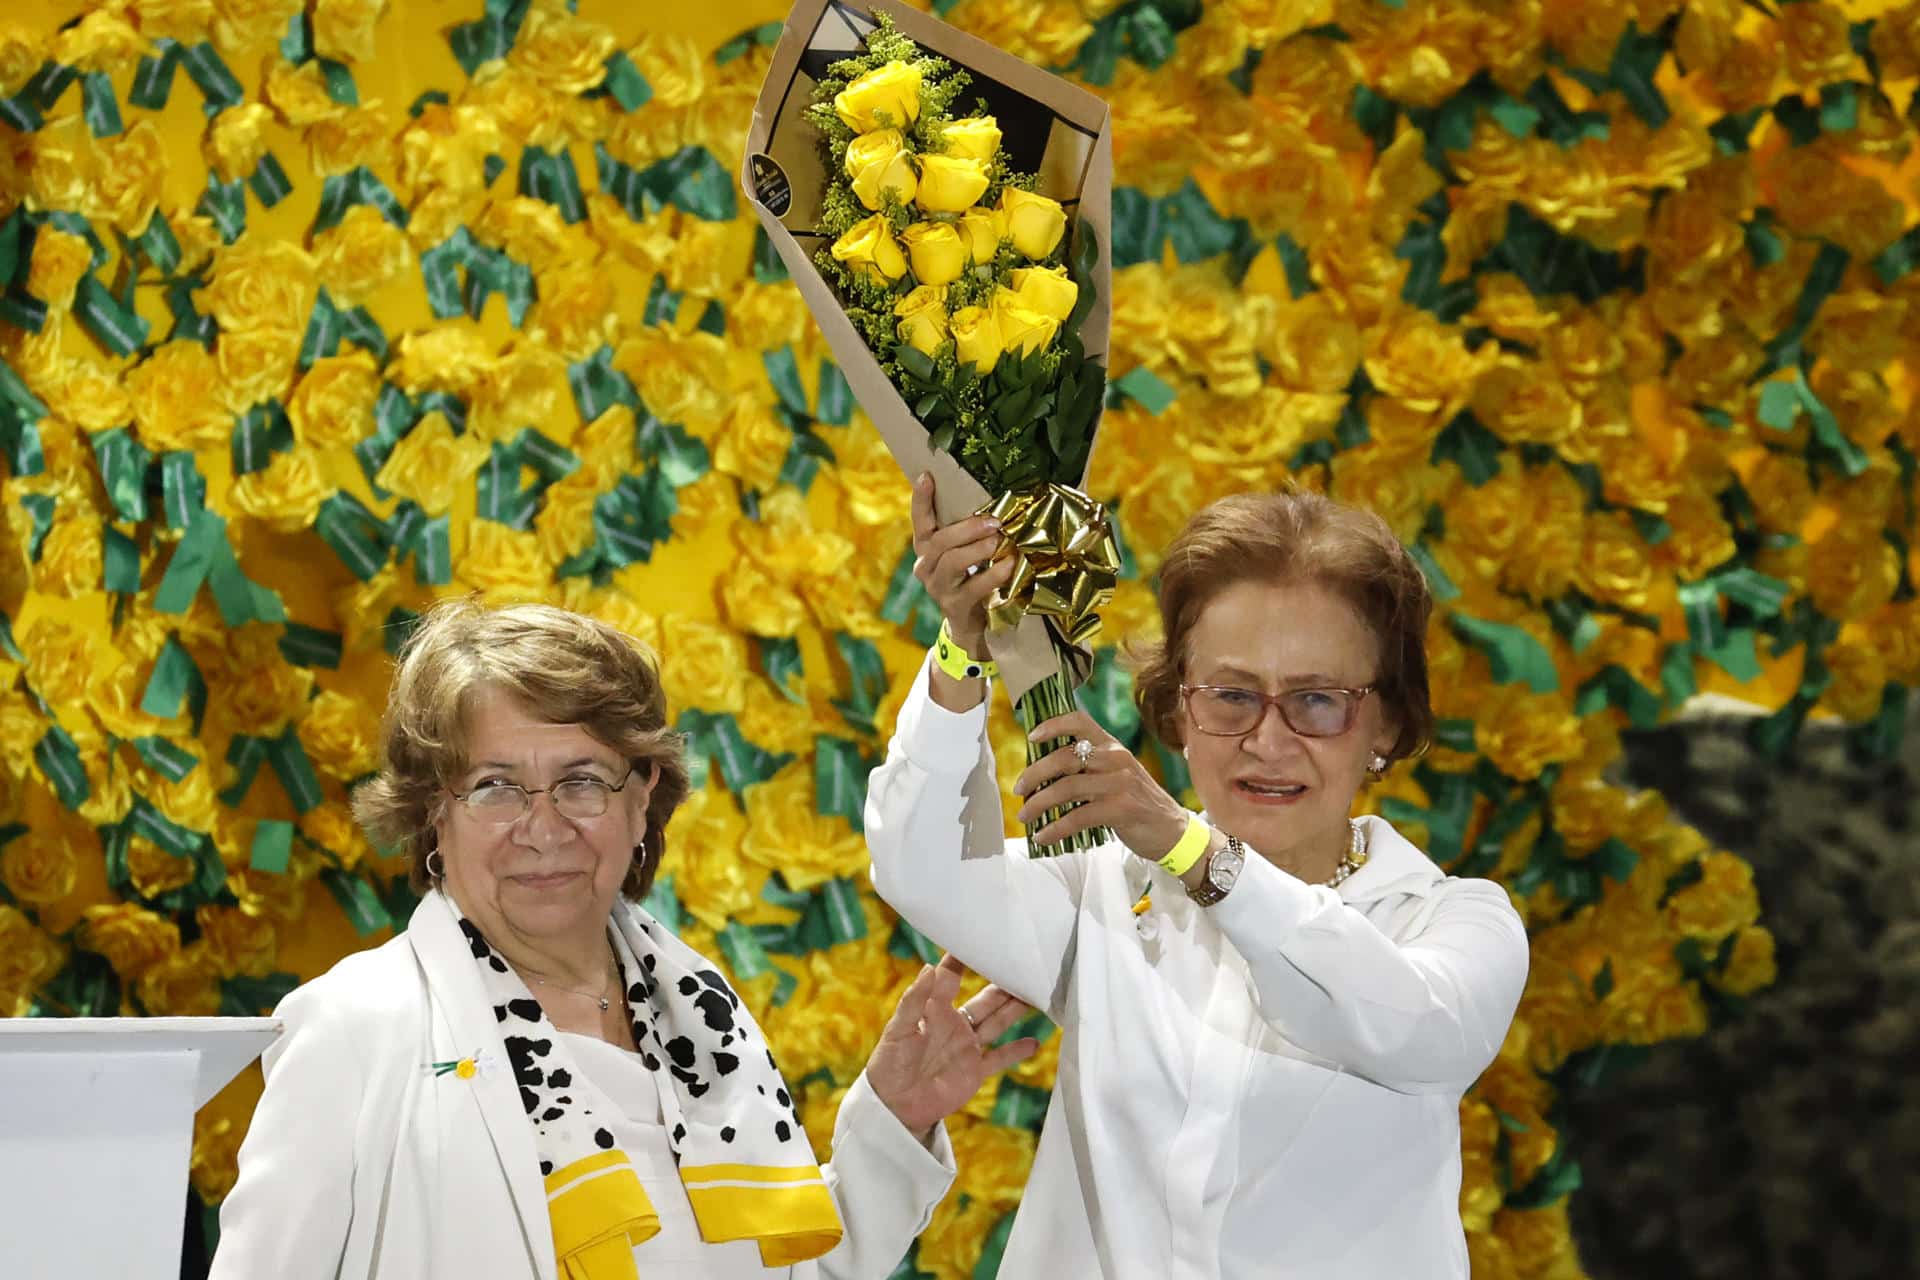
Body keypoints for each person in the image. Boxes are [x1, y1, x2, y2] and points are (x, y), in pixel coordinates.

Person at [211, 600, 1038, 1280]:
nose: (542, 829)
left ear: (642, 800)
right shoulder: (354, 1027)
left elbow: (787, 1271)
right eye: (496, 787)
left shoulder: (700, 1018)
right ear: (434, 812)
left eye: (581, 782)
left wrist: (894, 1118)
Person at [867, 480, 1530, 1278]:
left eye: (1318, 702)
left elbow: (1418, 1035)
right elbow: (924, 867)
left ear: (1388, 723)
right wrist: (961, 647)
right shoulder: (1103, 894)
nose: (1269, 741)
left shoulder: (1455, 922)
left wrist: (1197, 854)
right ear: (1178, 712)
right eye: (1231, 696)